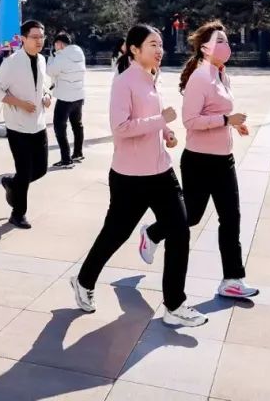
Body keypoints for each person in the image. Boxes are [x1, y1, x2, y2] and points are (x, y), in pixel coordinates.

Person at [70, 24, 207, 328]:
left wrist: (166, 131)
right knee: (115, 234)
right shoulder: (124, 82)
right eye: (152, 45)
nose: (160, 50)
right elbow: (121, 128)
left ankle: (174, 305)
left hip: (161, 172)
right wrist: (161, 120)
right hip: (131, 177)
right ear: (134, 49)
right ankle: (83, 280)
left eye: (160, 44)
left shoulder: (152, 77)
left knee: (180, 231)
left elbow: (152, 120)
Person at [140, 21, 258, 299]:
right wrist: (226, 120)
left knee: (231, 218)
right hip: (200, 161)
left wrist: (234, 124)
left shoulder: (222, 75)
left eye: (226, 41)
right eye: (220, 41)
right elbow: (190, 121)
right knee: (191, 216)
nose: (226, 46)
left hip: (224, 160)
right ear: (205, 48)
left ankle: (232, 279)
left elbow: (218, 113)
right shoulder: (200, 78)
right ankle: (153, 233)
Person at [0, 20, 52, 230]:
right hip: (18, 127)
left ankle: (11, 183)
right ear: (23, 38)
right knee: (24, 172)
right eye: (34, 37)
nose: (39, 41)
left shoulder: (41, 59)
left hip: (39, 125)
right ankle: (18, 214)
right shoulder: (12, 62)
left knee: (40, 170)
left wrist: (47, 96)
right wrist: (19, 103)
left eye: (42, 37)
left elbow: (44, 85)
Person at [48, 32, 87, 167]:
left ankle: (66, 159)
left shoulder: (61, 56)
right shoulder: (79, 52)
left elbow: (50, 71)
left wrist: (51, 57)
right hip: (79, 95)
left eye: (55, 45)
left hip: (65, 97)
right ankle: (78, 153)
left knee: (59, 127)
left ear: (59, 44)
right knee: (77, 125)